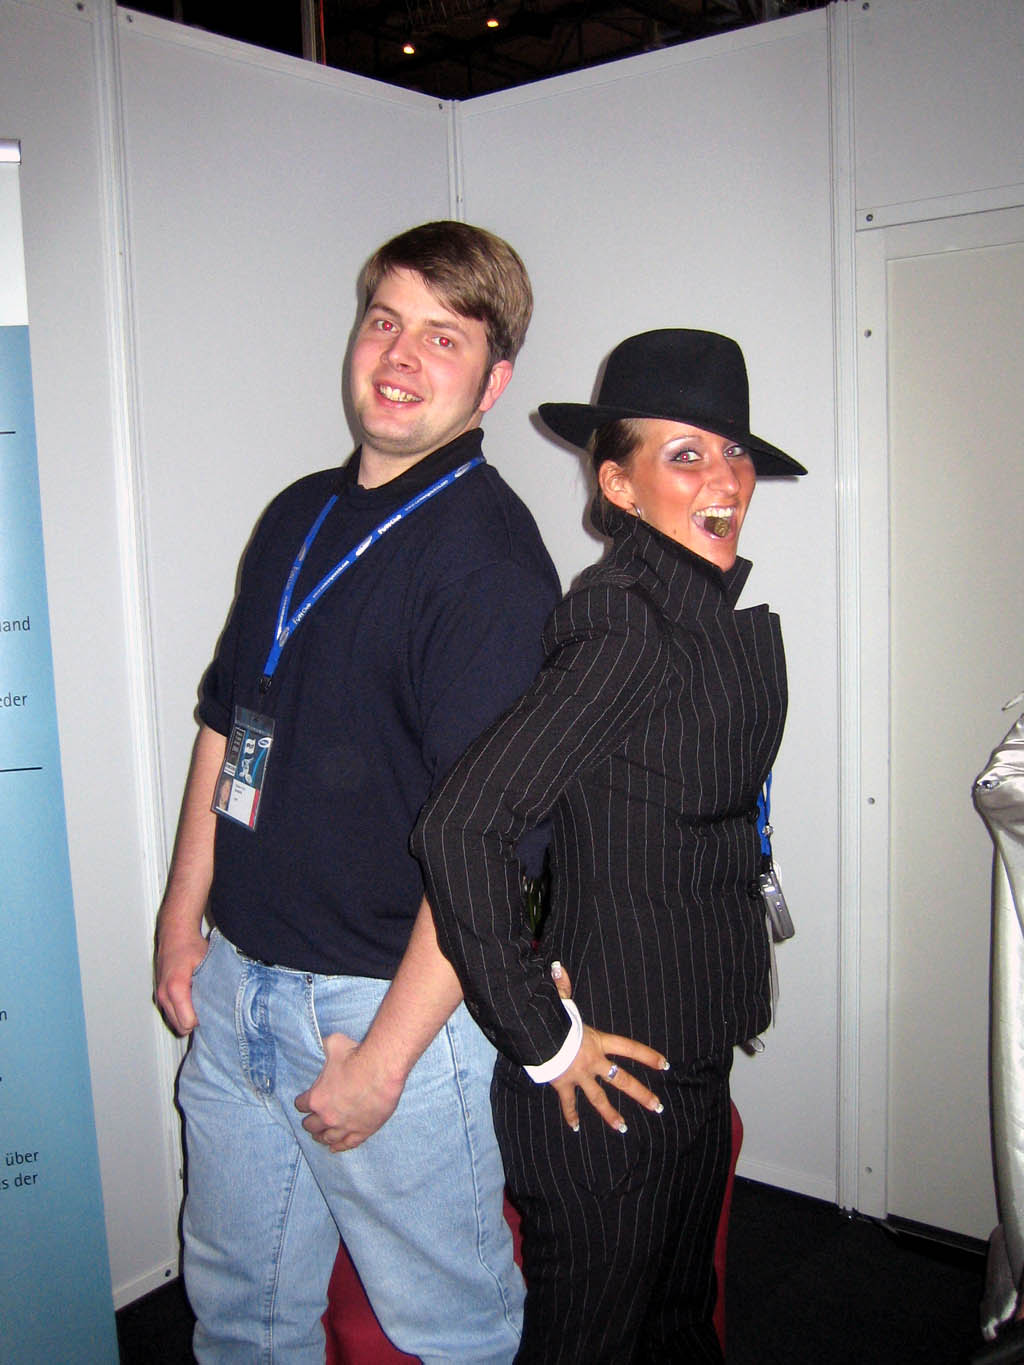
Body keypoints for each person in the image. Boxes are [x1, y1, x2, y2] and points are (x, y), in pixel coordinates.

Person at [154, 220, 563, 1364]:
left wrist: (383, 1060)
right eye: (385, 321)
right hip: (240, 983)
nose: (399, 355)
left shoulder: (486, 563)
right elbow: (234, 724)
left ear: (493, 380)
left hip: (383, 1008)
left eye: (443, 336)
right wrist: (183, 918)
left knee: (451, 1330)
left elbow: (498, 848)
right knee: (241, 1313)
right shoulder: (298, 515)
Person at [412, 329, 807, 1363]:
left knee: (676, 1324)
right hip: (611, 1081)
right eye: (686, 454)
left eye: (734, 451)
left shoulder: (689, 608)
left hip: (685, 1047)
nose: (725, 478)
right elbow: (464, 825)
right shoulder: (628, 625)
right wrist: (543, 1037)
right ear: (619, 485)